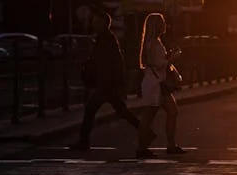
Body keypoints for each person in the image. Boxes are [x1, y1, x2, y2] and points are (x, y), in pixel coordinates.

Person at [70, 12, 140, 150]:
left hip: (105, 84)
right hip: (107, 84)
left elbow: (109, 63)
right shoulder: (105, 39)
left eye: (96, 22)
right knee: (122, 111)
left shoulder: (106, 40)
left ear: (103, 23)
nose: (93, 24)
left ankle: (83, 141)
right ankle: (146, 132)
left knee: (91, 109)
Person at [135, 12, 184, 158]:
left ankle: (171, 145)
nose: (165, 25)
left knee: (172, 111)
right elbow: (158, 63)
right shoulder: (154, 43)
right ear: (157, 25)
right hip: (155, 84)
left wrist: (167, 57)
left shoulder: (154, 41)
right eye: (162, 22)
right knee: (149, 116)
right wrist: (171, 58)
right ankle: (142, 148)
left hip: (157, 83)